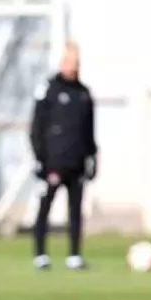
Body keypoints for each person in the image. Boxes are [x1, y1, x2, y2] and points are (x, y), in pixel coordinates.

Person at [30, 41, 98, 271]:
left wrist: (92, 156)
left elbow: (89, 129)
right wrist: (39, 158)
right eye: (69, 62)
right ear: (62, 63)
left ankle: (74, 255)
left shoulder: (84, 93)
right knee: (45, 207)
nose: (73, 67)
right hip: (53, 162)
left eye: (76, 63)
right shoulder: (48, 89)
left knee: (76, 211)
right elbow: (36, 127)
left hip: (77, 162)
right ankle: (40, 254)